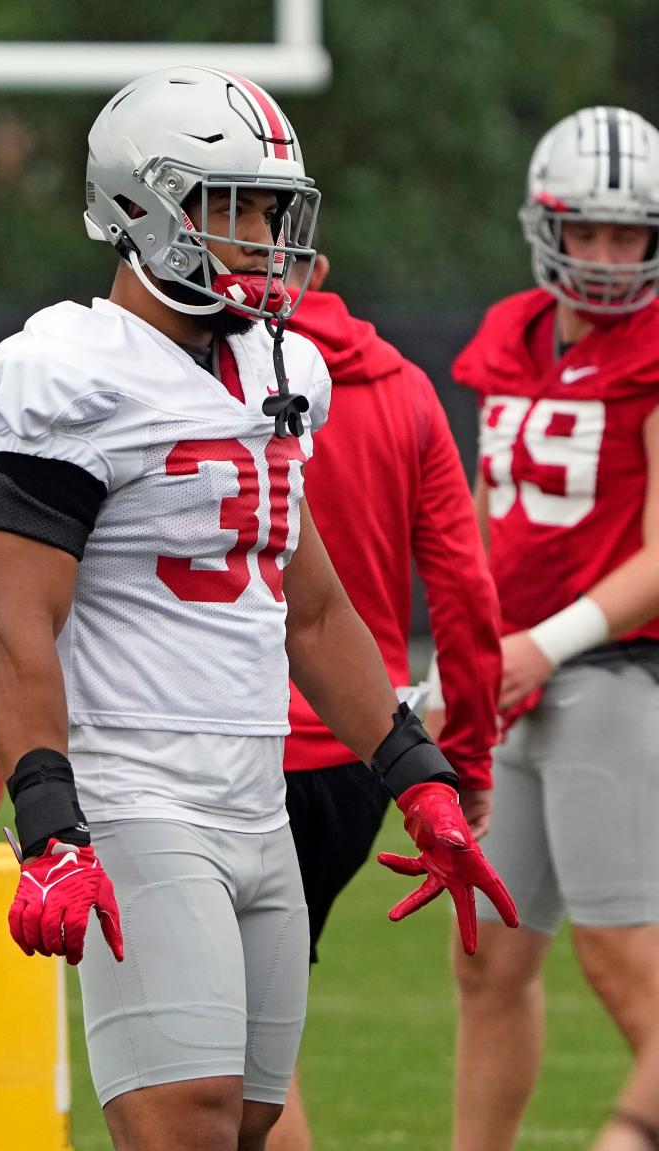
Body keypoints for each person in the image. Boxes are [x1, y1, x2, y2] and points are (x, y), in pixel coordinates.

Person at [0, 66, 516, 1151]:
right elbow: (13, 619)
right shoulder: (73, 368)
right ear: (143, 208)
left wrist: (417, 774)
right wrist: (50, 822)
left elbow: (309, 608)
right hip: (139, 792)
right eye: (238, 207)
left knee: (256, 1119)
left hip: (254, 793)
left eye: (274, 209)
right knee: (186, 1120)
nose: (268, 236)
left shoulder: (282, 373)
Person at [434, 106, 659, 1151]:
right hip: (520, 678)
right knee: (487, 953)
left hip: (615, 675)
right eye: (591, 233)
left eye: (632, 237)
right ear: (547, 225)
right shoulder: (508, 333)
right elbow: (483, 523)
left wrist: (541, 645)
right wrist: (470, 659)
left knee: (622, 955)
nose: (610, 259)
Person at [265, 253, 503, 1151]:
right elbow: (467, 596)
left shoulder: (196, 367)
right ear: (318, 264)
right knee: (257, 1038)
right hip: (361, 760)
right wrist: (462, 765)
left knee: (219, 1059)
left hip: (222, 753)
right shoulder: (404, 388)